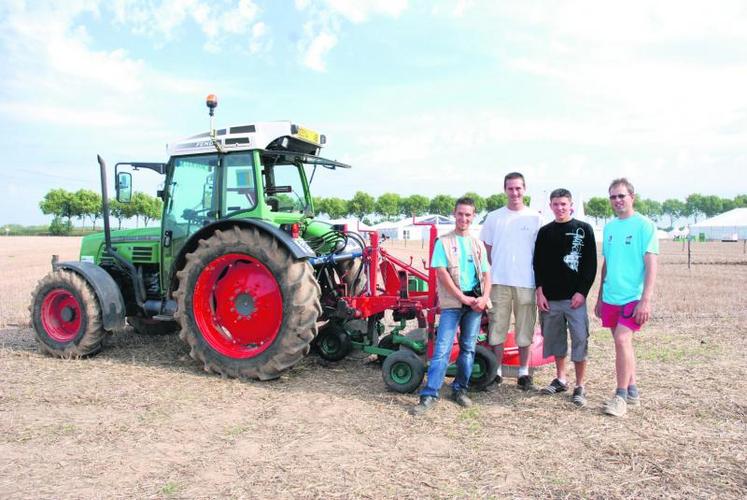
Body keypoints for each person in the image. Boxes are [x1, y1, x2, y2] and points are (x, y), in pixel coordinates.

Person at [410, 197, 491, 416]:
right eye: (460, 214)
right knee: (442, 349)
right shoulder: (443, 242)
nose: (464, 218)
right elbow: (442, 274)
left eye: (468, 214)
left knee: (468, 348)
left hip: (474, 302)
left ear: (473, 217)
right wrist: (462, 298)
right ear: (454, 214)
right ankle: (429, 394)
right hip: (453, 304)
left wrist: (484, 297)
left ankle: (460, 389)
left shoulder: (477, 244)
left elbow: (486, 273)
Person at [595, 178, 658, 417]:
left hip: (633, 296)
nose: (617, 200)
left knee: (622, 340)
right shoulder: (610, 228)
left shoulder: (645, 226)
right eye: (613, 197)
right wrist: (600, 296)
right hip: (612, 296)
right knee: (622, 344)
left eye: (621, 196)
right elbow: (607, 264)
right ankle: (632, 391)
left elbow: (651, 263)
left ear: (632, 197)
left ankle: (620, 396)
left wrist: (646, 299)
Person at [480, 172, 544, 390]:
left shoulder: (535, 217)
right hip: (499, 282)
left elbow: (539, 252)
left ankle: (524, 373)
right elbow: (486, 251)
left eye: (518, 188)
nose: (515, 192)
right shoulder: (494, 217)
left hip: (527, 282)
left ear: (524, 189)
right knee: (497, 328)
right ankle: (496, 372)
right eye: (510, 188)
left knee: (525, 329)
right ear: (505, 189)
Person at [533, 189, 597, 406]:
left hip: (574, 299)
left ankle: (580, 385)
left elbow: (590, 265)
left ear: (571, 205)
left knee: (580, 338)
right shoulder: (544, 232)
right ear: (550, 206)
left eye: (564, 204)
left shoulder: (584, 229)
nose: (560, 208)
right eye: (556, 204)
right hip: (550, 299)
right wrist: (539, 291)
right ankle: (561, 378)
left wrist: (582, 292)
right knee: (555, 339)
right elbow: (538, 264)